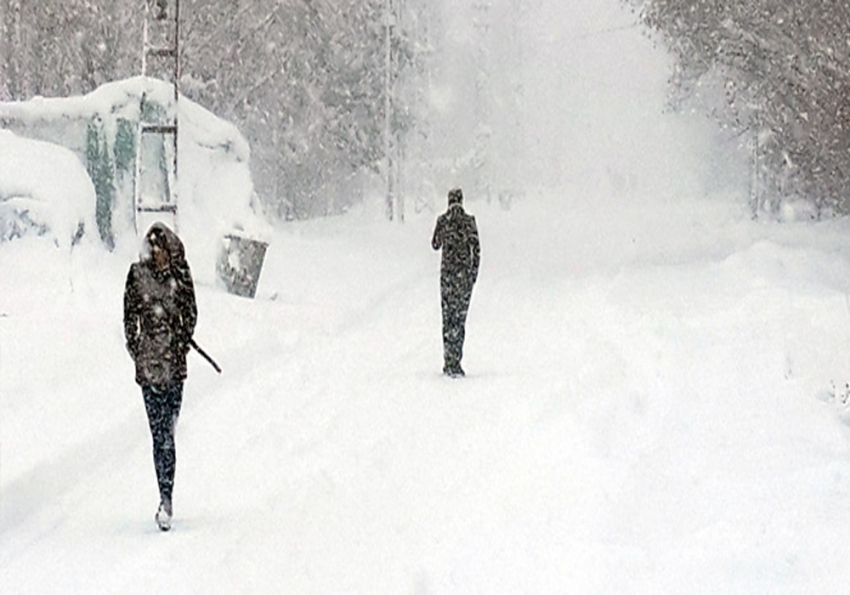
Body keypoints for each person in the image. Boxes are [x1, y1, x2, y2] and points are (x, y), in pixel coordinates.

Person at [123, 222, 197, 531]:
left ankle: (167, 494)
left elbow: (191, 312)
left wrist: (180, 342)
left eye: (161, 250)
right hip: (149, 368)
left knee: (168, 432)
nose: (157, 256)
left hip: (174, 368)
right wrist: (138, 348)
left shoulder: (180, 274)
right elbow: (129, 317)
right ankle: (164, 497)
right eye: (152, 250)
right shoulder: (137, 275)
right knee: (160, 435)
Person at [431, 188, 480, 377]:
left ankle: (447, 360)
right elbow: (477, 250)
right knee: (460, 319)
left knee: (447, 318)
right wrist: (472, 274)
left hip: (447, 278)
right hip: (464, 279)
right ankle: (457, 361)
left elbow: (435, 244)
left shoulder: (443, 221)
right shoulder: (470, 222)